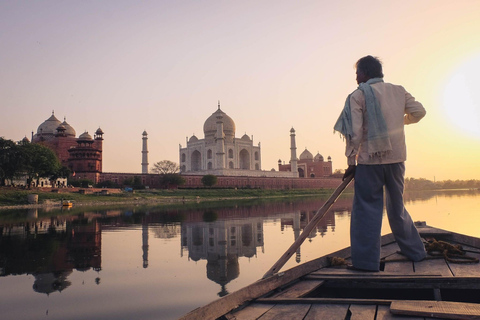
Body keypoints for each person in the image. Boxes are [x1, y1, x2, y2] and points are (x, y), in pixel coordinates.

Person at [334, 55, 427, 272]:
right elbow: (419, 112)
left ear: (365, 73)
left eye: (357, 73)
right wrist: (399, 121)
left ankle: (366, 264)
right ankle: (415, 252)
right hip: (396, 160)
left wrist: (350, 161)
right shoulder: (398, 90)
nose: (356, 77)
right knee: (397, 208)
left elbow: (354, 133)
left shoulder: (358, 95)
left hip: (369, 162)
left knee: (367, 211)